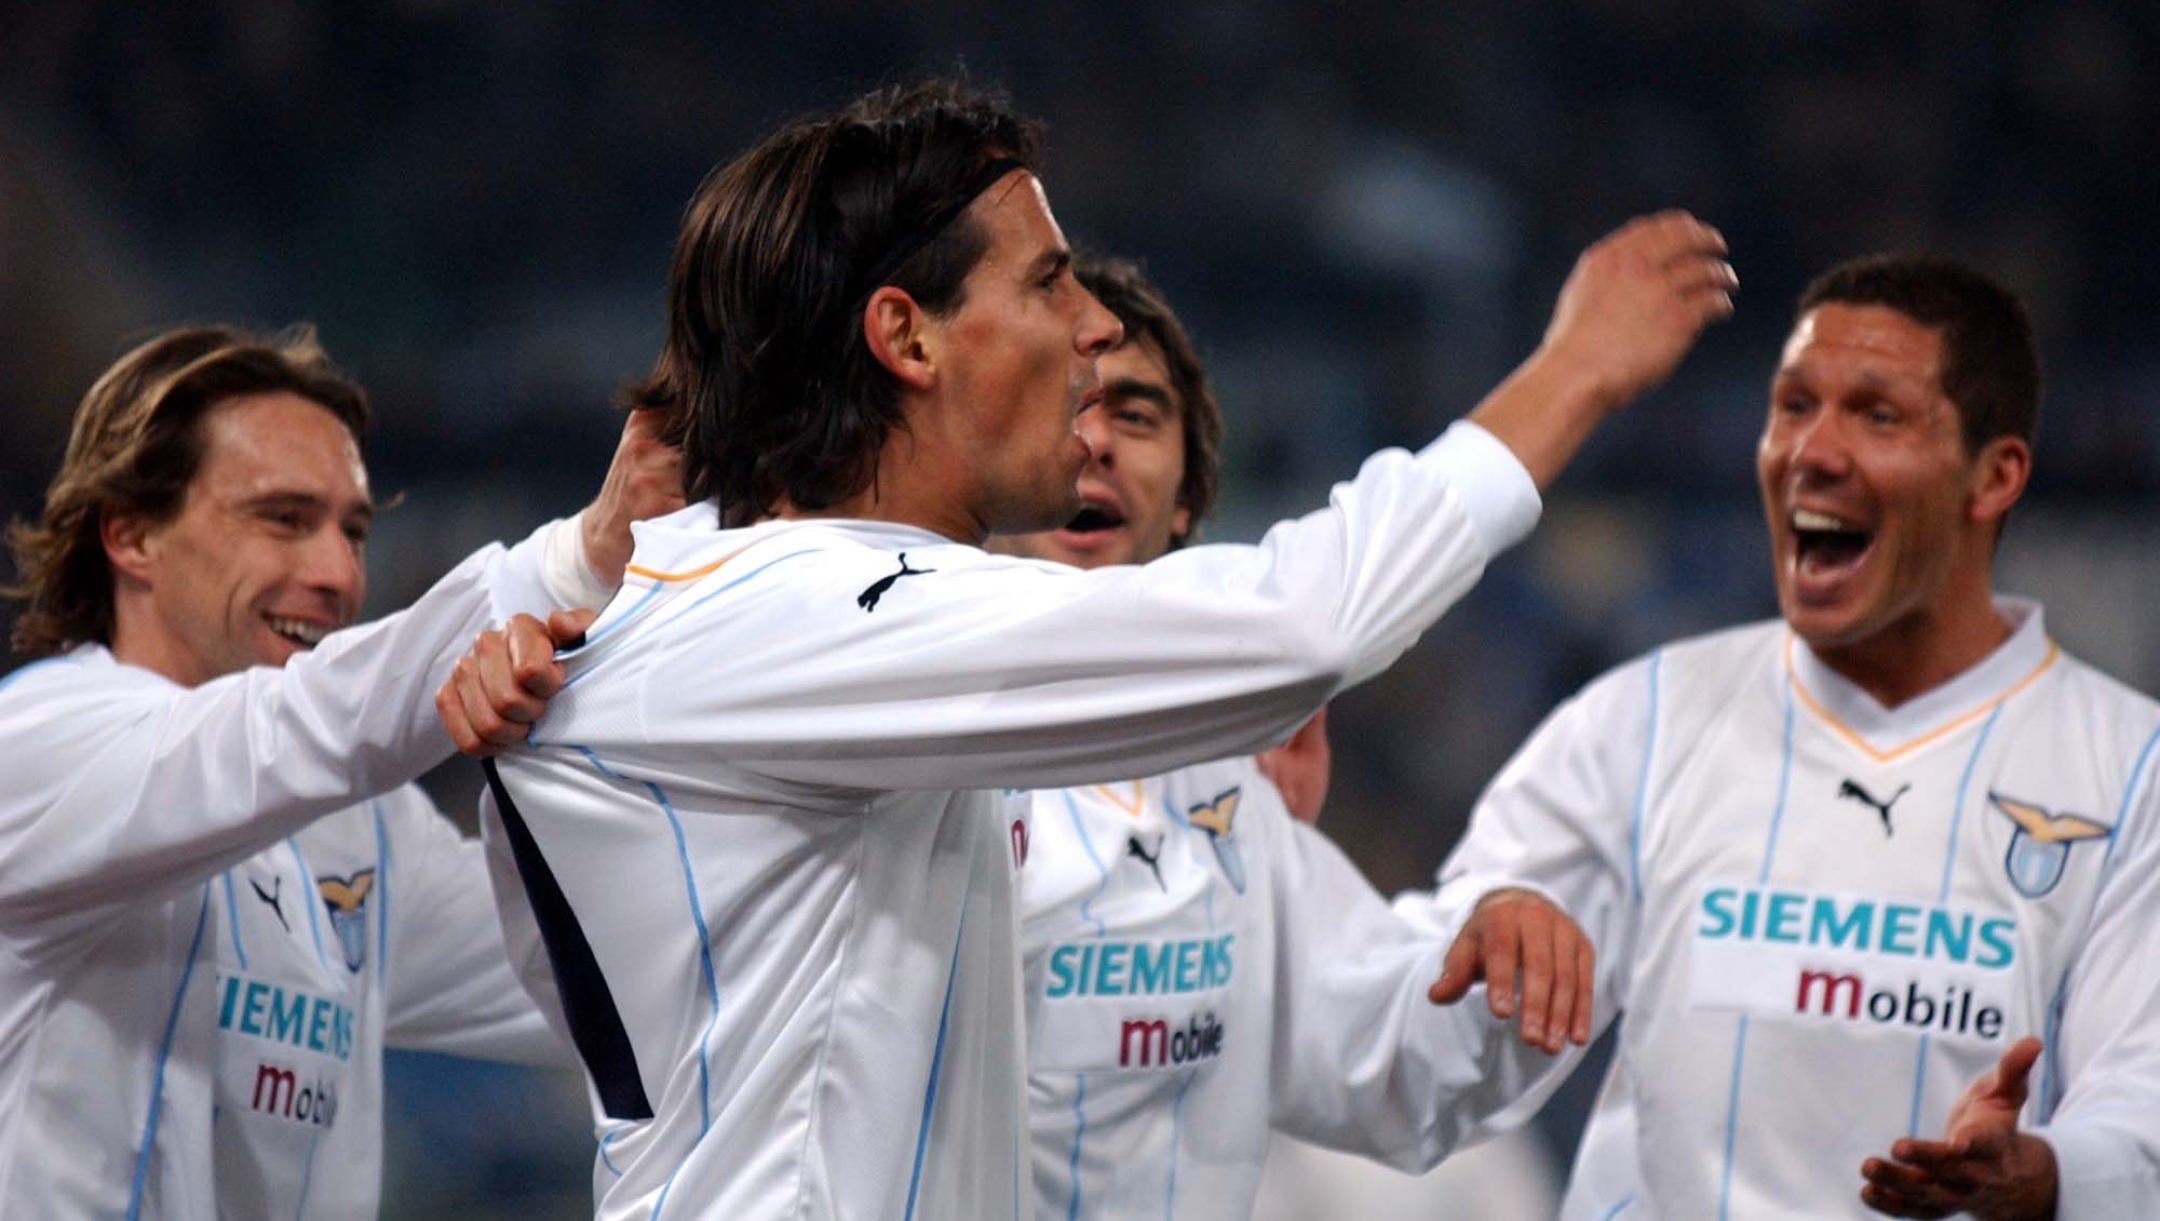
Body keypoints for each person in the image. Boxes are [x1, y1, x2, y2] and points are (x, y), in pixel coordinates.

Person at [457, 78, 1733, 1220]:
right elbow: (1303, 624)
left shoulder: (737, 630)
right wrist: (1573, 374)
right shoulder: (803, 616)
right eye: (1046, 281)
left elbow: (1369, 1053)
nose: (1090, 327)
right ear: (906, 338)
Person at [1420, 253, 2160, 1220]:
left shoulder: (2131, 767)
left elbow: (2142, 1105)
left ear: (1994, 475)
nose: (1812, 448)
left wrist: (2046, 1172)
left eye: (1877, 413)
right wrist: (1489, 912)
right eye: (1793, 405)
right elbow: (1434, 1018)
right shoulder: (1641, 720)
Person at [0, 323, 679, 1219]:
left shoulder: (364, 832)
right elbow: (296, 727)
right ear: (130, 535)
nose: (336, 573)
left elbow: (628, 977)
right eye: (282, 519)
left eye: (352, 530)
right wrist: (579, 559)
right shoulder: (34, 748)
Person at [992, 256, 1591, 1220]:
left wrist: (1487, 962)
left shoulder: (1226, 785)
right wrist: (1583, 367)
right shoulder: (896, 719)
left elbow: (1376, 1061)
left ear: (1188, 501)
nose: (1093, 440)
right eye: (1061, 405)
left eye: (1136, 415)